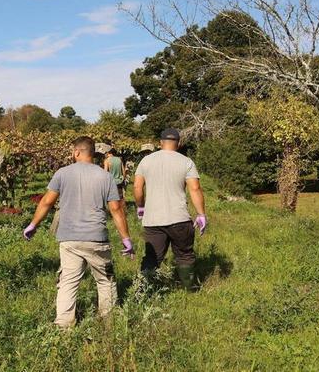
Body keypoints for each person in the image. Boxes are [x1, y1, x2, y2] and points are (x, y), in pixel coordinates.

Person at [22, 136, 134, 327]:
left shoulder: (62, 174)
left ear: (76, 152)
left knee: (68, 281)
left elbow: (47, 202)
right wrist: (126, 238)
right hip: (96, 239)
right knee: (105, 281)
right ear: (93, 154)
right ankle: (109, 322)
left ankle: (64, 324)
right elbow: (116, 209)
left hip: (69, 239)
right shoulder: (105, 176)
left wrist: (33, 224)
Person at [133, 128, 206, 291]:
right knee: (185, 255)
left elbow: (137, 186)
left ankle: (144, 292)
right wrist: (201, 214)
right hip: (179, 218)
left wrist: (141, 206)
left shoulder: (146, 161)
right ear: (178, 144)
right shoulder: (186, 162)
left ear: (160, 143)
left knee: (152, 258)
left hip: (153, 220)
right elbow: (195, 189)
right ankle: (190, 289)